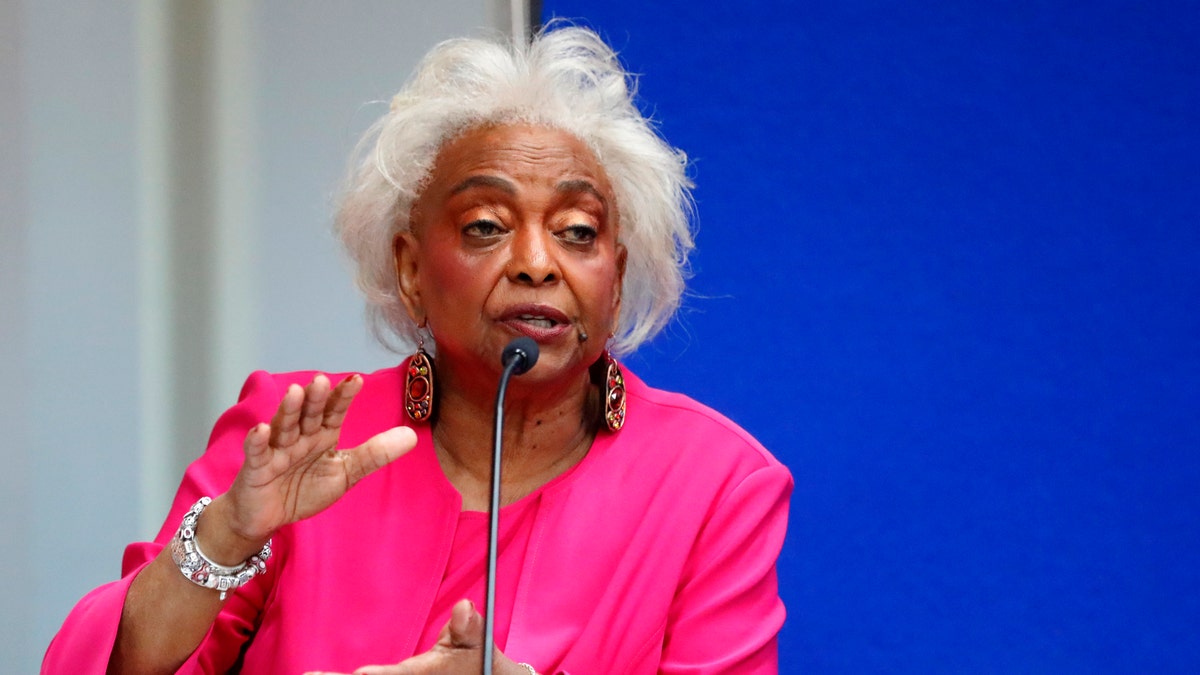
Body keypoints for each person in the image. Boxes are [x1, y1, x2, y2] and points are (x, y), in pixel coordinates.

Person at [43, 25, 792, 675]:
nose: (537, 261)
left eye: (577, 231)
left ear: (616, 276)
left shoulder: (715, 485)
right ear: (409, 269)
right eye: (486, 225)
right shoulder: (300, 431)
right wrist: (228, 536)